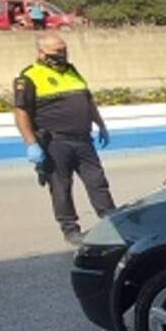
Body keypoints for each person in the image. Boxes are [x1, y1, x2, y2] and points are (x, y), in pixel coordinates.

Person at [13, 33, 115, 245]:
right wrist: (31, 144)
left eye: (64, 50)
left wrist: (100, 124)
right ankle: (70, 229)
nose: (62, 54)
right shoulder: (29, 77)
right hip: (54, 142)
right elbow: (21, 113)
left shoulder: (72, 71)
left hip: (83, 139)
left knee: (97, 181)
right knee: (61, 186)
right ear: (41, 53)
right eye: (57, 51)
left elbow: (87, 99)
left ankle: (110, 221)